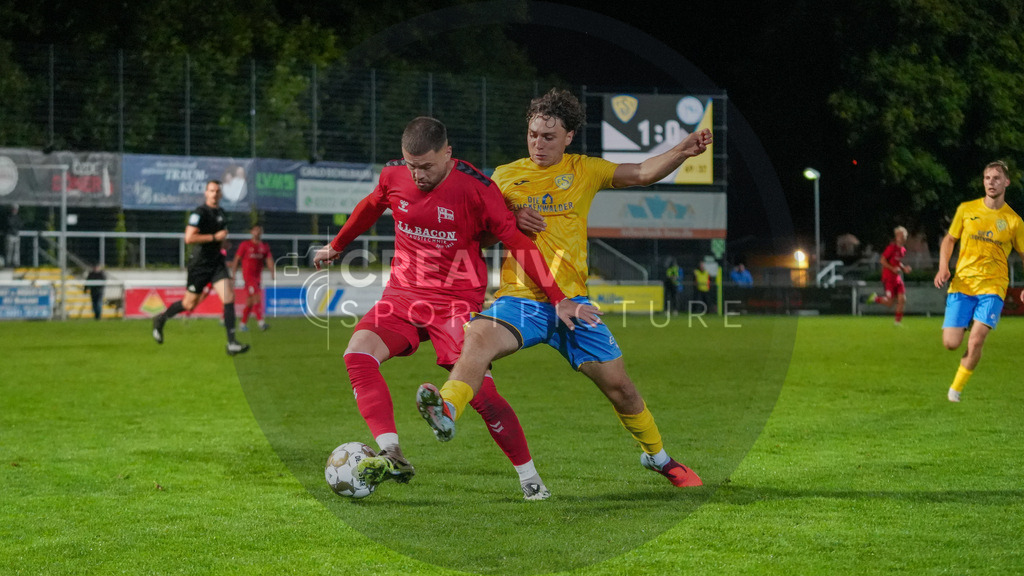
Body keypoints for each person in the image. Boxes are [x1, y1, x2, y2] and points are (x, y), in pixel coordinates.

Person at [416, 88, 711, 488]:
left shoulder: (585, 170)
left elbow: (641, 172)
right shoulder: (503, 177)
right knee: (480, 337)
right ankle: (447, 409)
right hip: (521, 299)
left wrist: (682, 150)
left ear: (569, 137)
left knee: (621, 389)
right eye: (533, 134)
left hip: (573, 304)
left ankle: (659, 458)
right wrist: (514, 218)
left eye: (549, 137)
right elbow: (481, 237)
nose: (539, 143)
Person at [311, 116, 598, 500]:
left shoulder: (477, 188)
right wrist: (337, 245)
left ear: (448, 154)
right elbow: (369, 207)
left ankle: (530, 479)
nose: (418, 175)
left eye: (427, 166)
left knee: (482, 395)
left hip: (455, 302)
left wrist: (557, 296)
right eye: (411, 165)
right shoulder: (394, 176)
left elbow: (517, 242)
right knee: (357, 355)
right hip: (402, 296)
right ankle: (392, 451)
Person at [934, 161, 1024, 402]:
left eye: (996, 178)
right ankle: (964, 324)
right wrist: (943, 267)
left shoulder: (1014, 221)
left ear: (1006, 182)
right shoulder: (966, 209)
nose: (991, 182)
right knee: (951, 343)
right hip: (963, 286)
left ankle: (955, 390)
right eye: (987, 178)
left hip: (993, 288)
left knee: (976, 340)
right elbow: (949, 240)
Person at [151, 180, 250, 356]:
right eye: (211, 190)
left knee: (229, 296)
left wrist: (224, 243)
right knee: (189, 304)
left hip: (217, 263)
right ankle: (161, 319)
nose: (214, 194)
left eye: (217, 191)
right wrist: (214, 237)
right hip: (199, 265)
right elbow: (189, 238)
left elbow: (219, 237)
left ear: (220, 194)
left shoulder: (221, 213)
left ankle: (232, 343)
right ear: (206, 193)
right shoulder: (199, 213)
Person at [231, 224, 275, 331]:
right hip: (248, 277)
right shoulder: (245, 245)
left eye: (259, 230)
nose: (257, 232)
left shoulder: (264, 246)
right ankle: (261, 323)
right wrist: (233, 274)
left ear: (261, 232)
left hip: (257, 278)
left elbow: (269, 259)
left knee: (250, 301)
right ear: (251, 232)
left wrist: (272, 272)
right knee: (256, 298)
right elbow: (237, 259)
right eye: (255, 230)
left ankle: (242, 324)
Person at [868, 226, 911, 325]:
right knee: (890, 303)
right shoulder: (891, 248)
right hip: (888, 278)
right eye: (900, 235)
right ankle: (875, 298)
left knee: (902, 299)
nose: (902, 237)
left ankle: (897, 323)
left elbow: (897, 262)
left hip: (897, 278)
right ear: (896, 237)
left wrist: (904, 268)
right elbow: (882, 260)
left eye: (904, 236)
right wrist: (892, 269)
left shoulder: (903, 250)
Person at [6, 204, 22, 268]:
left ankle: (16, 263)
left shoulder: (18, 217)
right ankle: (8, 263)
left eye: (16, 209)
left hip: (16, 235)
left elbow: (20, 225)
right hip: (10, 235)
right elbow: (10, 224)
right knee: (9, 250)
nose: (15, 210)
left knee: (16, 250)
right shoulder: (9, 217)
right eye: (14, 209)